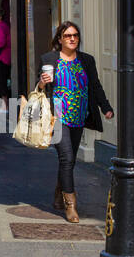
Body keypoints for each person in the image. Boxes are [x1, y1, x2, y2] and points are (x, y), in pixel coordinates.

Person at [39, 20, 113, 223]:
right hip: (57, 116)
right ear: (60, 39)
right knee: (67, 158)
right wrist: (41, 81)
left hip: (79, 115)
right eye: (68, 36)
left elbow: (95, 86)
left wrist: (105, 107)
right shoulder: (49, 59)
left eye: (75, 35)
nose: (72, 39)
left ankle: (59, 193)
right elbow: (39, 87)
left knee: (67, 160)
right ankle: (70, 205)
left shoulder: (87, 60)